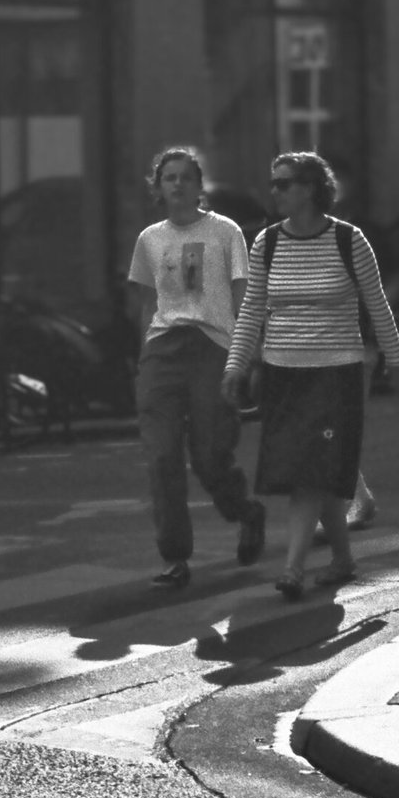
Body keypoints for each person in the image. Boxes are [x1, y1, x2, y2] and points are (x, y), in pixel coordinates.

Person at [221, 152, 399, 600]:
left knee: (311, 474)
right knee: (310, 471)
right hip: (282, 374)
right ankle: (342, 559)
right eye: (273, 183)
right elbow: (252, 310)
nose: (275, 192)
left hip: (335, 374)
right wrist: (236, 365)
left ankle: (293, 568)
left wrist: (396, 357)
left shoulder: (349, 240)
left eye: (284, 183)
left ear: (310, 188)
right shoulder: (267, 243)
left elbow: (376, 303)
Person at [126, 147, 267, 590]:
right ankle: (174, 557)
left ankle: (245, 512)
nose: (178, 184)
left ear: (199, 185)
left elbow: (245, 295)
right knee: (162, 455)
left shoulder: (225, 232)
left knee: (209, 455)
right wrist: (145, 356)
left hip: (213, 347)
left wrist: (248, 354)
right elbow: (147, 303)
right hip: (164, 349)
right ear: (158, 187)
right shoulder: (150, 239)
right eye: (169, 177)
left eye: (186, 176)